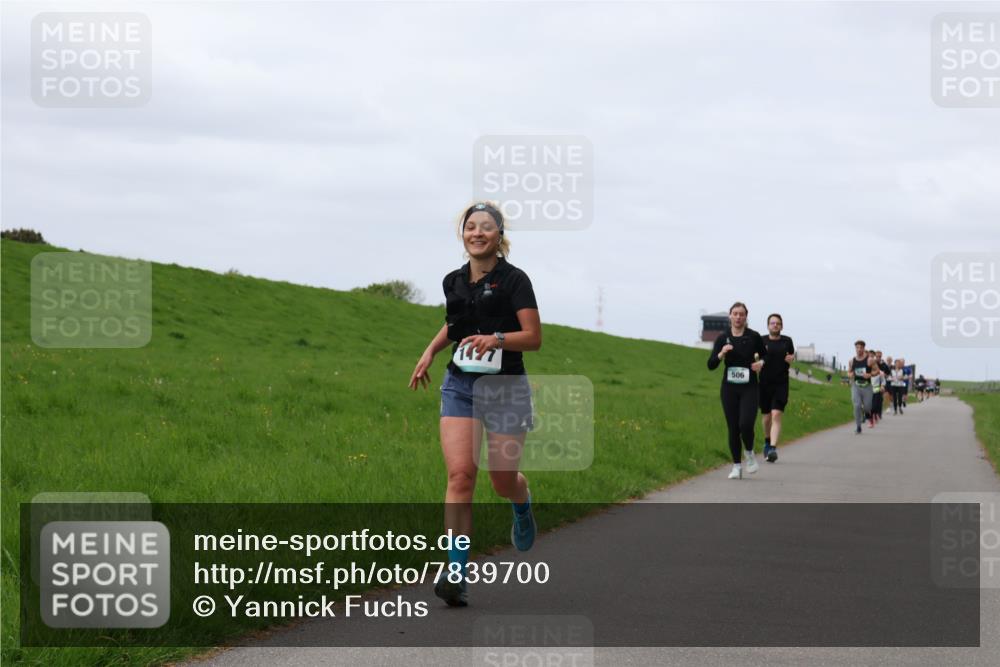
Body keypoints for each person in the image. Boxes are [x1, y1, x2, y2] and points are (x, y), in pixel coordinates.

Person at [409, 201, 541, 607]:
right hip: (461, 385)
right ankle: (456, 572)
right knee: (461, 477)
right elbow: (455, 325)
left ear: (499, 235)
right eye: (471, 227)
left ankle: (522, 503)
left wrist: (497, 339)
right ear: (462, 234)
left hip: (505, 389)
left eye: (486, 227)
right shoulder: (453, 281)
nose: (477, 233)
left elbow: (533, 337)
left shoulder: (515, 280)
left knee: (502, 481)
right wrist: (430, 352)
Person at [707, 302, 766, 479]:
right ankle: (736, 466)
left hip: (749, 387)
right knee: (733, 427)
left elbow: (766, 355)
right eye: (735, 314)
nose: (738, 317)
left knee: (745, 424)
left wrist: (761, 363)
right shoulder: (722, 338)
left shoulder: (754, 336)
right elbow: (711, 365)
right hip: (729, 388)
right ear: (730, 316)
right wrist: (721, 354)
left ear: (746, 316)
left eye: (741, 314)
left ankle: (749, 453)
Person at [759, 313, 795, 463]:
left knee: (776, 415)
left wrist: (792, 358)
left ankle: (773, 448)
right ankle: (767, 442)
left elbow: (791, 355)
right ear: (768, 325)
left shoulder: (787, 341)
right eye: (772, 323)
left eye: (778, 323)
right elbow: (755, 357)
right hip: (764, 384)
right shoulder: (761, 341)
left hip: (781, 383)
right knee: (766, 418)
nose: (775, 325)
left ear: (781, 326)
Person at [848, 340, 873, 435]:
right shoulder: (852, 361)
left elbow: (877, 371)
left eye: (860, 347)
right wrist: (850, 374)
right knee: (856, 405)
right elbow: (849, 371)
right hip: (856, 385)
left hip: (867, 386)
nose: (859, 349)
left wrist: (869, 374)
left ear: (864, 348)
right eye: (857, 347)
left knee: (867, 407)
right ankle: (858, 426)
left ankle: (867, 413)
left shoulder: (869, 360)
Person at [869, 353, 885, 424]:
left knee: (875, 405)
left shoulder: (880, 373)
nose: (873, 366)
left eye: (874, 364)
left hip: (877, 390)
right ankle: (872, 416)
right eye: (871, 364)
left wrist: (882, 386)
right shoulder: (868, 372)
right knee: (869, 405)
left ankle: (875, 414)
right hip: (869, 390)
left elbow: (883, 381)